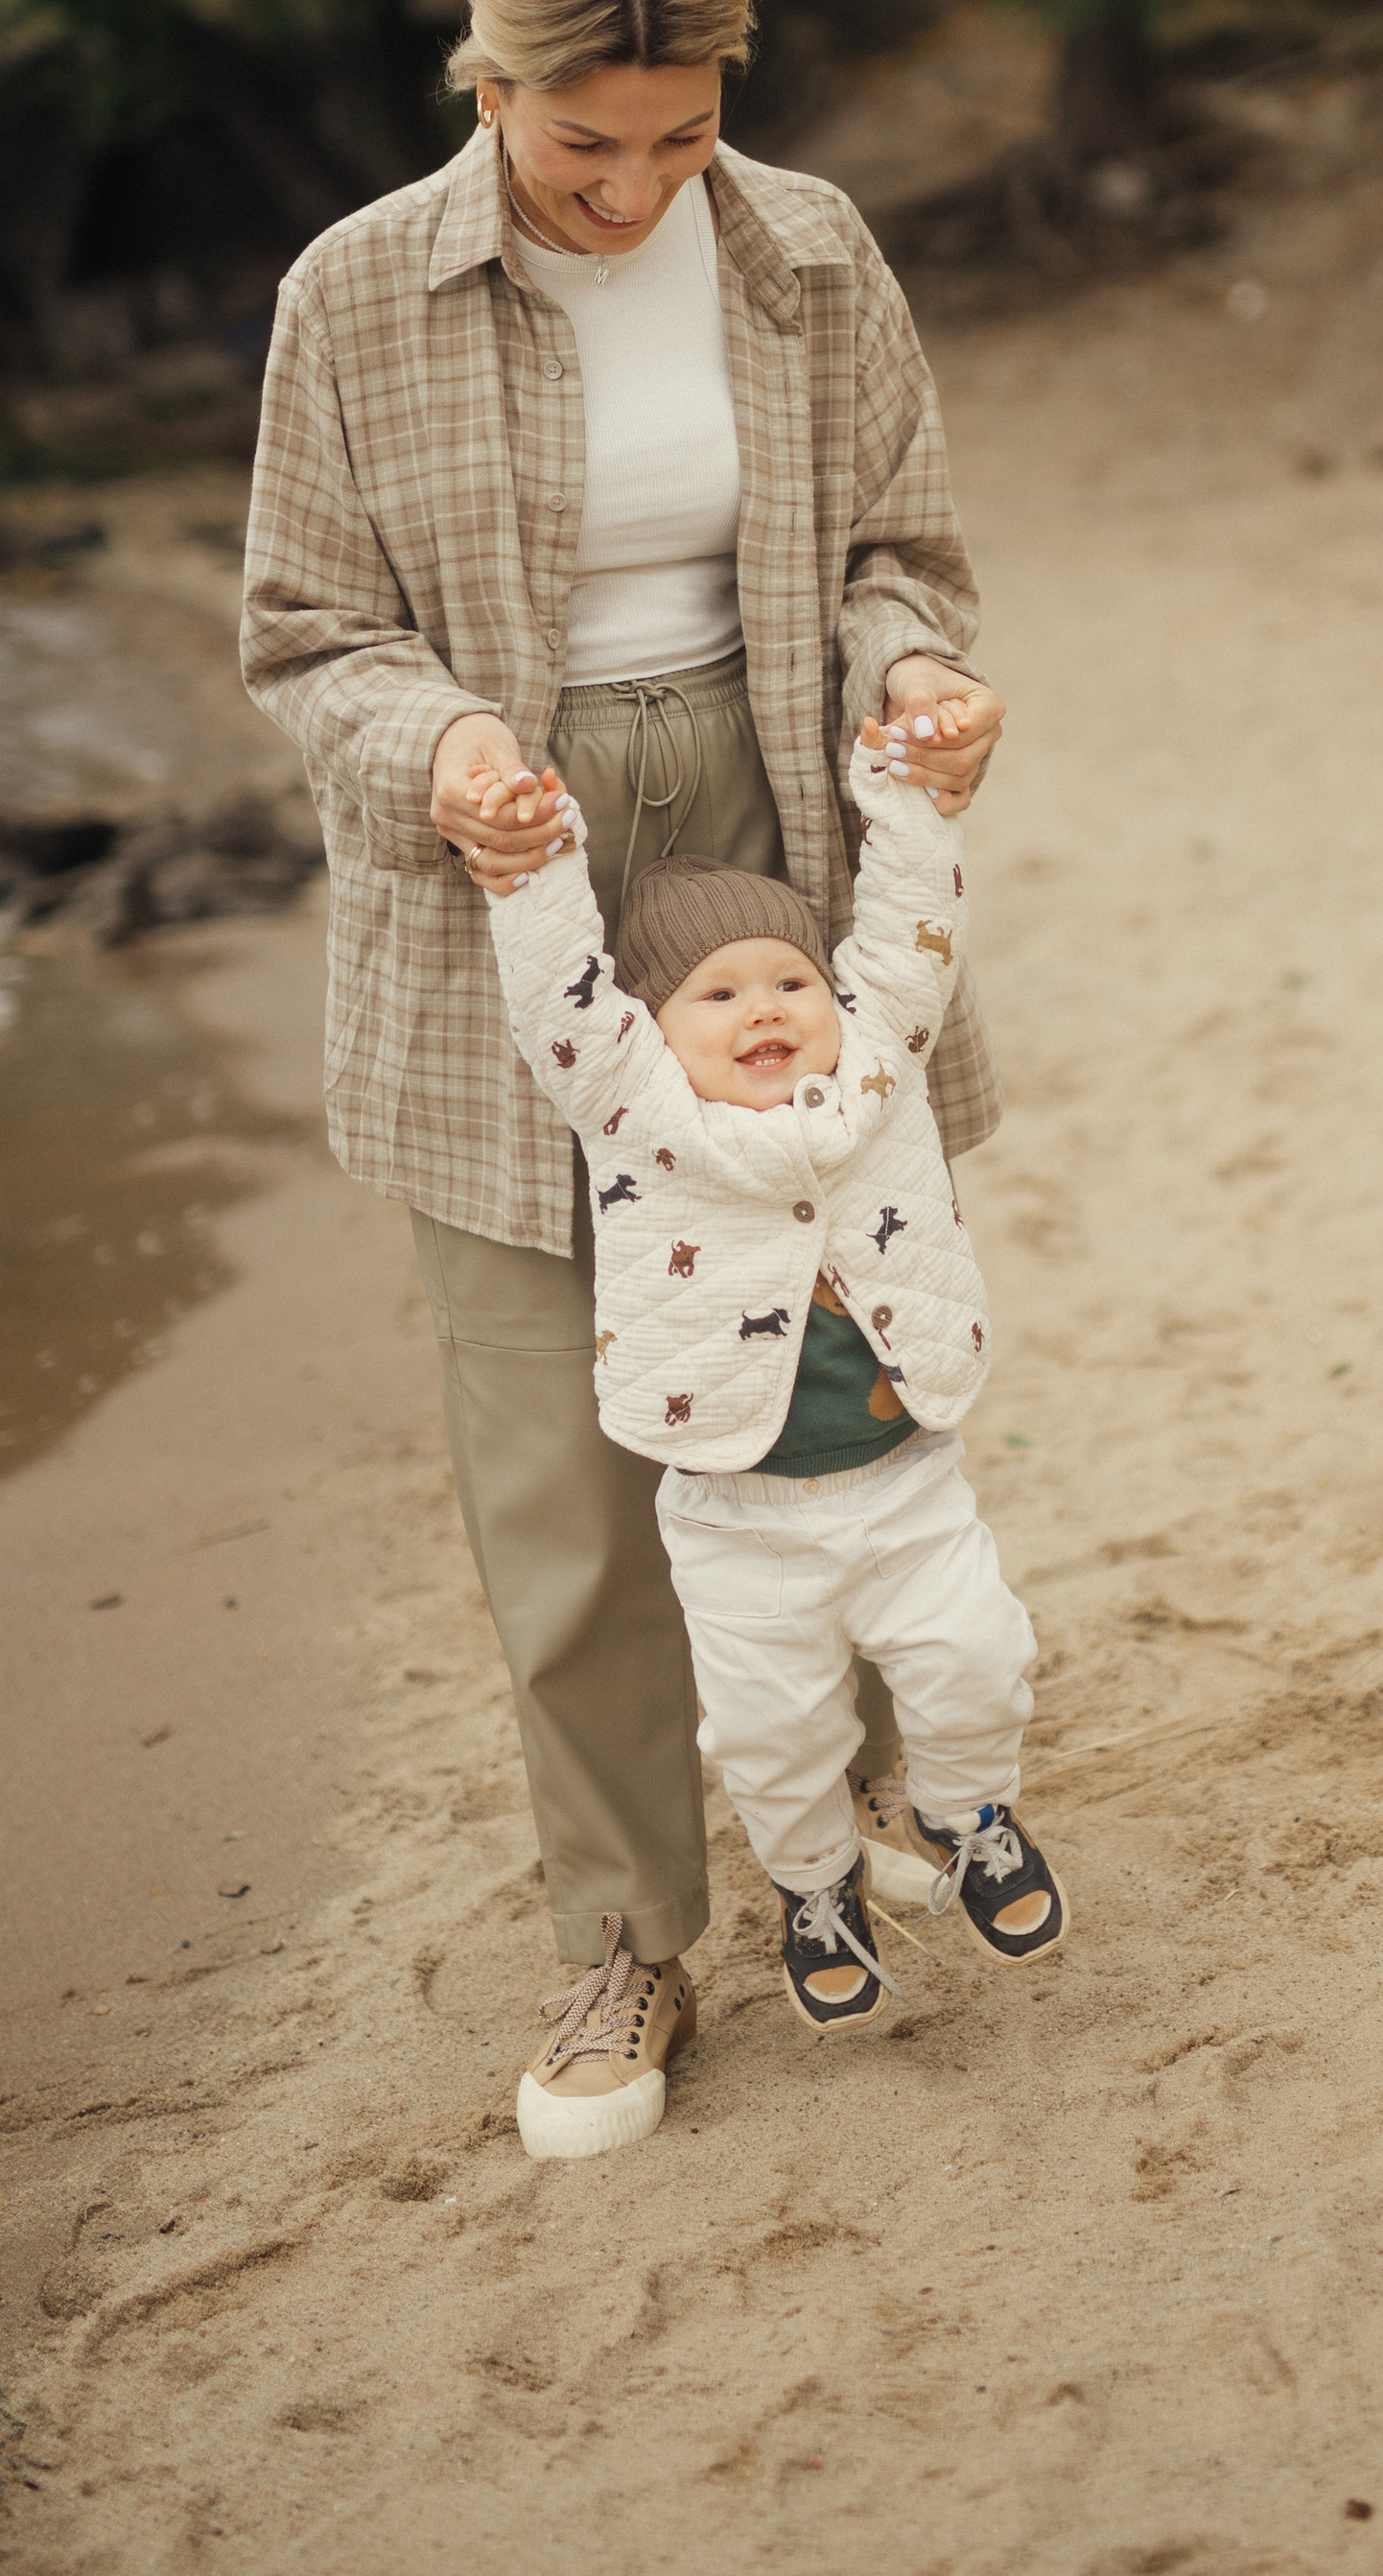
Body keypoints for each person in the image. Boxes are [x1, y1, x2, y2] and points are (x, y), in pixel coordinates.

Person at [240, 0, 1009, 2156]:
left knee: (837, 1339)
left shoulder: (806, 249)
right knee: (559, 1460)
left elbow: (897, 555)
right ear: (481, 79)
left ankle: (860, 1797)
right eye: (584, 140)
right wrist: (447, 748)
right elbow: (303, 636)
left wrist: (925, 676)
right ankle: (624, 1938)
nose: (633, 186)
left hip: (776, 826)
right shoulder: (353, 296)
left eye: (680, 135)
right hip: (501, 860)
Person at [468, 701, 1065, 2150]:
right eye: (718, 996)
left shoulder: (876, 1072)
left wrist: (906, 793)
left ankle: (974, 1817)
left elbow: (912, 931)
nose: (763, 1011)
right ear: (654, 1031)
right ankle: (812, 1896)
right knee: (773, 1739)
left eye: (786, 978)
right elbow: (563, 999)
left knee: (979, 1660)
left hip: (908, 1484)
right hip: (739, 1522)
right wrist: (532, 868)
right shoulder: (632, 1110)